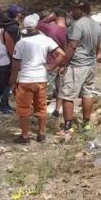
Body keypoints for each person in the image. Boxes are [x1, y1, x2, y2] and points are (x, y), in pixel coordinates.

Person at [10, 14, 65, 144]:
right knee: (41, 107)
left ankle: (25, 136)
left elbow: (15, 65)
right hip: (41, 78)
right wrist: (51, 67)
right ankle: (41, 134)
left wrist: (13, 81)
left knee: (24, 109)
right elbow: (61, 54)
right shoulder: (45, 40)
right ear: (36, 26)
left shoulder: (21, 43)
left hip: (25, 79)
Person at [59, 0, 101, 137]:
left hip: (77, 65)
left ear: (81, 10)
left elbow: (72, 45)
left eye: (74, 9)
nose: (72, 11)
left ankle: (68, 127)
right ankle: (86, 124)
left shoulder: (77, 25)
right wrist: (93, 58)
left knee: (67, 95)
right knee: (87, 93)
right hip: (91, 64)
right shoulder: (96, 25)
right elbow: (98, 46)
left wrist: (64, 64)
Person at [38, 9, 69, 117]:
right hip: (63, 62)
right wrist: (64, 64)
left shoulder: (50, 28)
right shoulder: (68, 30)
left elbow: (39, 24)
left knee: (46, 88)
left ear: (55, 16)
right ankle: (57, 109)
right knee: (60, 87)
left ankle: (41, 111)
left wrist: (49, 18)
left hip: (50, 62)